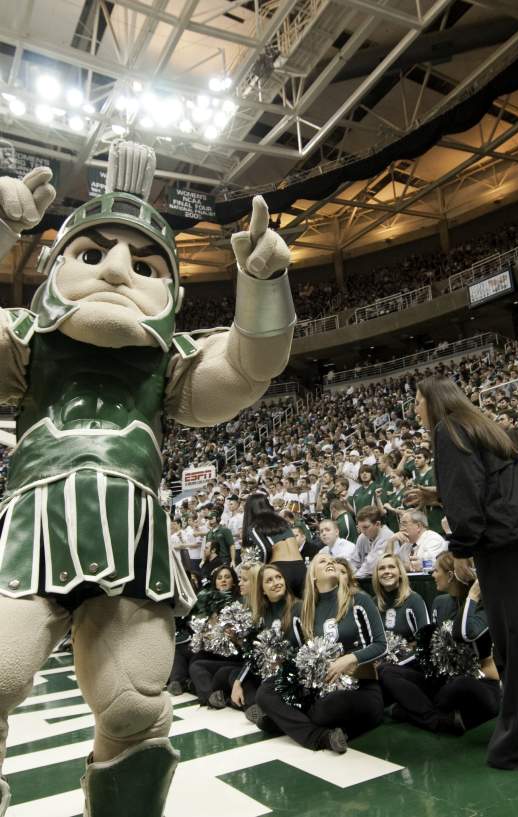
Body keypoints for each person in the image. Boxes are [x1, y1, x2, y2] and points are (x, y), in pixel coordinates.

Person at [0, 142, 296, 816]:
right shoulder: (25, 337)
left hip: (132, 543)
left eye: (143, 264)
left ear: (173, 293)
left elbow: (251, 368)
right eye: (93, 252)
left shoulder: (173, 361)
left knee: (136, 703)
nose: (114, 271)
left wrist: (263, 286)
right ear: (53, 267)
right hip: (30, 533)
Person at [416, 375, 518, 770]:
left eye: (417, 402)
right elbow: (489, 480)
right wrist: (438, 496)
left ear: (433, 402)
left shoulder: (446, 429)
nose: (415, 410)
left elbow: (469, 496)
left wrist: (460, 550)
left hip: (506, 542)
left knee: (515, 642)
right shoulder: (477, 422)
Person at [253, 553, 386, 753]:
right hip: (320, 689)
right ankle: (320, 737)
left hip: (360, 688)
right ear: (313, 576)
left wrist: (349, 659)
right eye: (323, 561)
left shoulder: (358, 600)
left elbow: (381, 644)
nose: (330, 562)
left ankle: (283, 721)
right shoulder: (306, 610)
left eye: (332, 560)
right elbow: (301, 656)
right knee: (267, 690)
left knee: (328, 708)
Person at [378, 552, 500, 734]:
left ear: (451, 575)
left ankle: (411, 712)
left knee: (456, 686)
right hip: (443, 680)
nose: (432, 575)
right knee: (387, 672)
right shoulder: (439, 603)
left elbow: (464, 632)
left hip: (480, 684)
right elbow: (429, 651)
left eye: (435, 571)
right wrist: (390, 664)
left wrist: (472, 596)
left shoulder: (483, 605)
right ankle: (435, 720)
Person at [211, 563, 302, 712]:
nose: (276, 583)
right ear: (263, 590)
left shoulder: (299, 608)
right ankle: (252, 706)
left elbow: (305, 648)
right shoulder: (263, 615)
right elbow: (254, 654)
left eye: (278, 577)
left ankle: (255, 708)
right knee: (230, 676)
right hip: (266, 674)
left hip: (291, 675)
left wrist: (283, 661)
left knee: (263, 691)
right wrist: (238, 681)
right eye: (269, 580)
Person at [168, 564, 240, 698]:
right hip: (208, 648)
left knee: (196, 663)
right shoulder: (207, 600)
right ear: (215, 582)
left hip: (229, 653)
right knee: (184, 652)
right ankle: (178, 681)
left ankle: (204, 692)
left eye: (227, 577)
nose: (223, 580)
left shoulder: (238, 602)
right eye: (219, 578)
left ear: (234, 581)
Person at [242, 493, 306, 597]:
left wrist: (262, 572)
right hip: (301, 567)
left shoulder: (255, 526)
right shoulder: (282, 522)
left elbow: (265, 550)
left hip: (281, 570)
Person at [371, 554, 429, 640]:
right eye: (381, 568)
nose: (386, 571)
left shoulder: (414, 600)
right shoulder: (372, 603)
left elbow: (426, 640)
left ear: (400, 573)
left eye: (391, 567)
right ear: (377, 575)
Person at [352, 505, 394, 578]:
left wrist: (353, 578)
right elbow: (354, 562)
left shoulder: (388, 536)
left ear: (377, 524)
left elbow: (371, 566)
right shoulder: (362, 537)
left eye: (365, 527)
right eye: (360, 527)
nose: (362, 531)